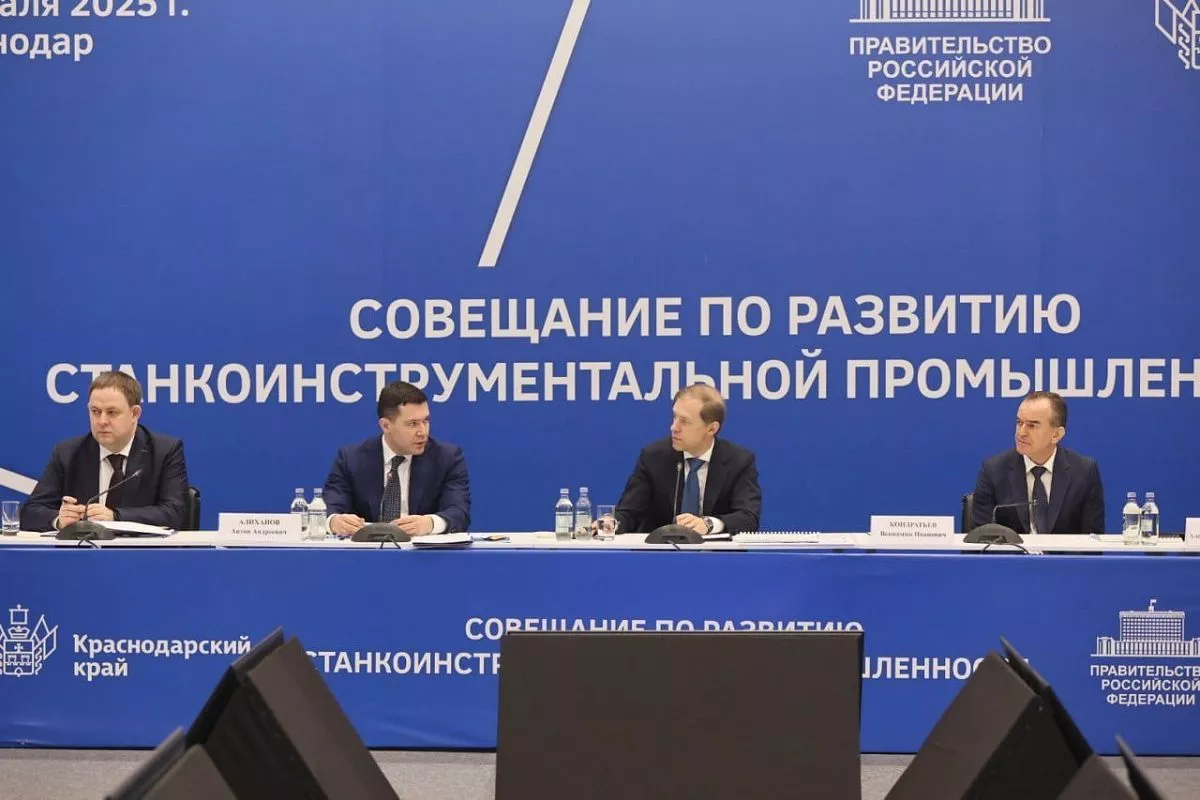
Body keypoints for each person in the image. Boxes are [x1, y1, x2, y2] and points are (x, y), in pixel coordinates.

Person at [21, 371, 190, 532]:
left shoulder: (164, 451)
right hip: (84, 550)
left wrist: (116, 516)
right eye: (95, 412)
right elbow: (30, 512)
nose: (102, 421)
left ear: (135, 414)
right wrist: (60, 519)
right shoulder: (67, 453)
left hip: (142, 551)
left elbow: (175, 513)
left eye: (112, 412)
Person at [324, 381, 470, 537]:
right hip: (366, 549)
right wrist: (334, 521)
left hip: (421, 550)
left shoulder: (447, 458)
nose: (422, 432)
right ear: (386, 426)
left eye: (425, 421)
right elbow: (330, 508)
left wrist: (430, 523)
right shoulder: (351, 459)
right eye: (412, 424)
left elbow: (459, 512)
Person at [615, 384, 761, 535]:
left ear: (711, 429)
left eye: (684, 421)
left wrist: (709, 524)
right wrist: (611, 523)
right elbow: (628, 513)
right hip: (661, 549)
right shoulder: (653, 457)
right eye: (675, 417)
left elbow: (748, 518)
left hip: (715, 550)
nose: (674, 427)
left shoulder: (739, 461)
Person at [972, 390, 1105, 534]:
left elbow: (1092, 539)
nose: (1021, 433)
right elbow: (981, 538)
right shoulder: (993, 471)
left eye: (1032, 425)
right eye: (1019, 422)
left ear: (1056, 435)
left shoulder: (1084, 472)